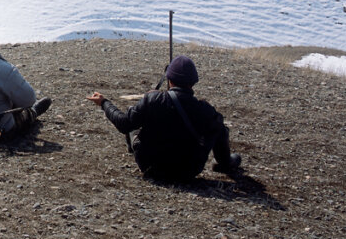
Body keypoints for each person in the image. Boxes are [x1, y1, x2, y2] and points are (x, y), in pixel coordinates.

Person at [88, 54, 243, 181]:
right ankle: (225, 163)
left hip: (150, 166)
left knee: (134, 114)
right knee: (218, 126)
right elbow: (220, 132)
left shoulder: (153, 101)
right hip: (188, 171)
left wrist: (104, 102)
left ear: (169, 80)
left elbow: (124, 124)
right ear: (193, 82)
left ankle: (133, 149)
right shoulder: (205, 110)